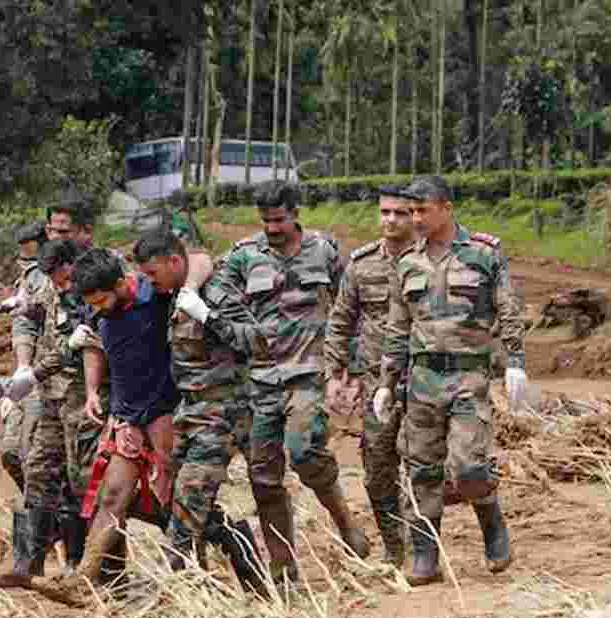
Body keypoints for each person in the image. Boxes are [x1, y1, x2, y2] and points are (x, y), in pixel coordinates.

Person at [210, 180, 370, 585]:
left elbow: (352, 305)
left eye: (279, 219)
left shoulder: (325, 249)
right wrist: (240, 334)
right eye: (265, 220)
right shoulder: (244, 255)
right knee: (262, 477)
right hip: (261, 380)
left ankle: (344, 520)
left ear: (295, 214)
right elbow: (216, 295)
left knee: (303, 451)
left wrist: (350, 365)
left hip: (310, 375)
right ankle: (283, 567)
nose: (272, 228)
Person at [374, 175, 526, 586]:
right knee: (421, 468)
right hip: (422, 378)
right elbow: (397, 326)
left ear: (446, 208)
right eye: (412, 211)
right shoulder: (406, 263)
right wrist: (387, 381)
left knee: (469, 466)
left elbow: (508, 308)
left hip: (468, 375)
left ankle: (492, 519)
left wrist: (515, 361)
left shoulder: (483, 253)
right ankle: (425, 553)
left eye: (423, 211)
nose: (416, 219)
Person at [136, 227, 266, 593]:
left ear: (174, 262)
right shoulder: (176, 292)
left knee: (191, 497)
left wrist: (208, 317)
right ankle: (253, 584)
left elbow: (258, 342)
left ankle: (171, 587)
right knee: (181, 501)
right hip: (189, 414)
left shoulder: (216, 293)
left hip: (222, 413)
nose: (149, 282)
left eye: (153, 273)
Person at [0, 239, 107, 585]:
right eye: (54, 280)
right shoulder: (49, 289)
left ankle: (80, 567)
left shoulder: (92, 292)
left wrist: (33, 374)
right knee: (38, 470)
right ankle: (30, 564)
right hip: (49, 399)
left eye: (62, 278)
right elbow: (30, 315)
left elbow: (77, 347)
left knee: (78, 481)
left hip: (79, 397)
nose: (60, 285)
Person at [69, 244, 181, 587]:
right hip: (126, 418)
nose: (97, 309)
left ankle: (189, 578)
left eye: (101, 300)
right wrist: (91, 392)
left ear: (120, 283)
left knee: (178, 501)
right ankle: (85, 580)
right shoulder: (99, 310)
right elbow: (93, 345)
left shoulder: (158, 295)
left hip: (166, 415)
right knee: (113, 495)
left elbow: (198, 260)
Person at [323, 186, 417, 568]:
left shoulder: (430, 260)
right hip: (379, 385)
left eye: (399, 212)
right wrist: (334, 373)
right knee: (378, 470)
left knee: (424, 468)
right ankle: (396, 547)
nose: (390, 219)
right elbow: (341, 320)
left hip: (423, 379)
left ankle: (424, 550)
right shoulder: (361, 265)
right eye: (384, 212)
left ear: (415, 216)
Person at [0, 221, 50, 491]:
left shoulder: (70, 274)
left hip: (56, 377)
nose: (28, 263)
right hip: (32, 373)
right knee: (11, 452)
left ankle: (48, 517)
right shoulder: (30, 277)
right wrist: (21, 368)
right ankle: (35, 507)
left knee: (36, 457)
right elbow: (24, 325)